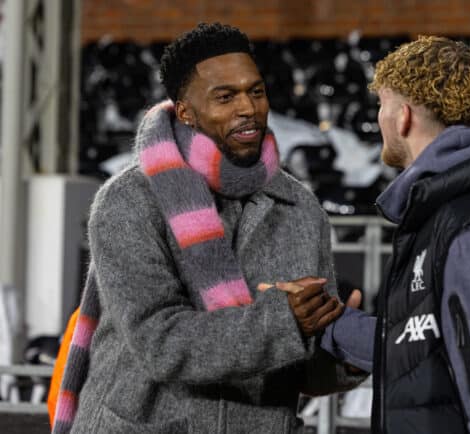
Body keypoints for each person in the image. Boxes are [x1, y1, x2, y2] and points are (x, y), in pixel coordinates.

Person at [51, 22, 366, 434]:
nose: (248, 108)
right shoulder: (129, 201)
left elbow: (297, 372)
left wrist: (344, 352)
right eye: (225, 97)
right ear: (186, 112)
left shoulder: (299, 209)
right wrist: (282, 322)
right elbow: (159, 343)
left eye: (256, 91)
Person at [278, 35, 470, 434]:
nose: (381, 118)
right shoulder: (450, 211)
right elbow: (421, 350)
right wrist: (329, 323)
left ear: (403, 116)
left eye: (382, 104)